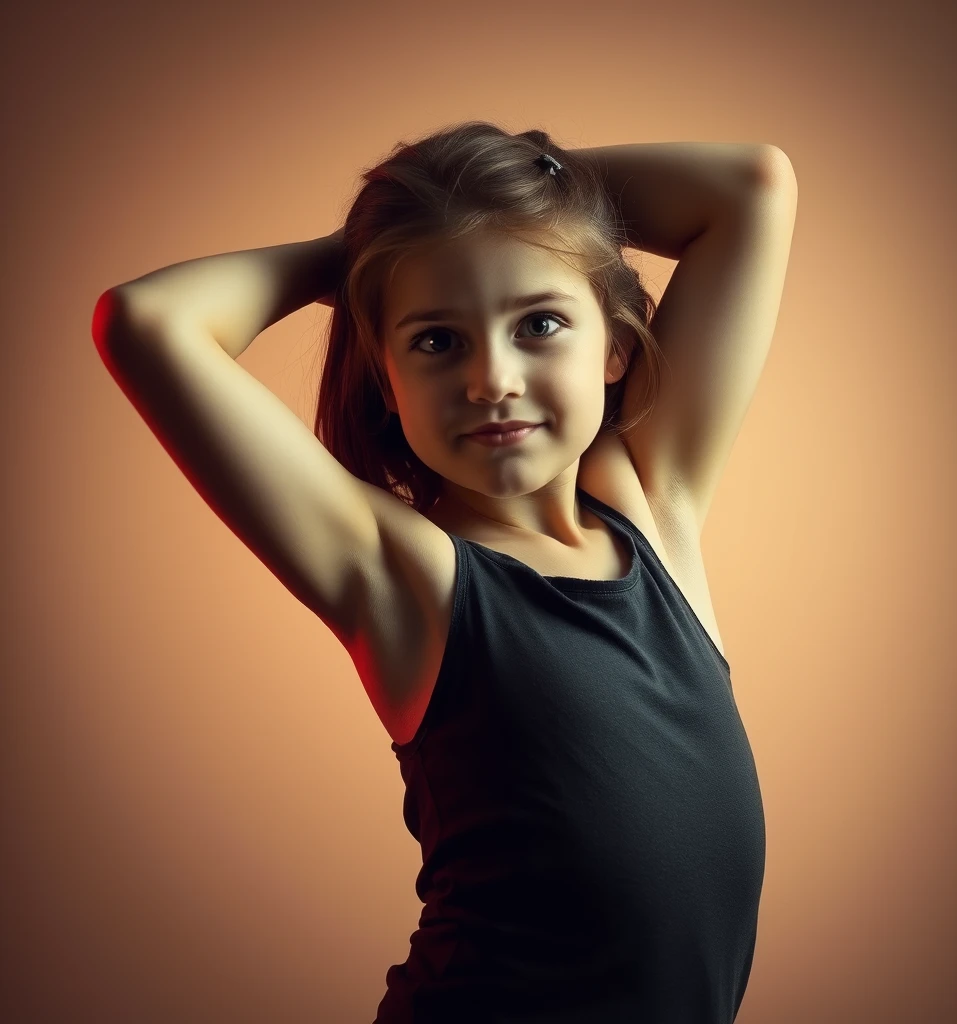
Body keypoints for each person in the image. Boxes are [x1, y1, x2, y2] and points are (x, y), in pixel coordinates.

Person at [93, 120, 769, 1022]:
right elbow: (146, 321)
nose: (492, 378)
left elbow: (751, 190)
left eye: (540, 324)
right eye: (436, 342)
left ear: (612, 346)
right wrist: (354, 252)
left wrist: (514, 196)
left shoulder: (655, 505)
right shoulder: (408, 575)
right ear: (383, 374)